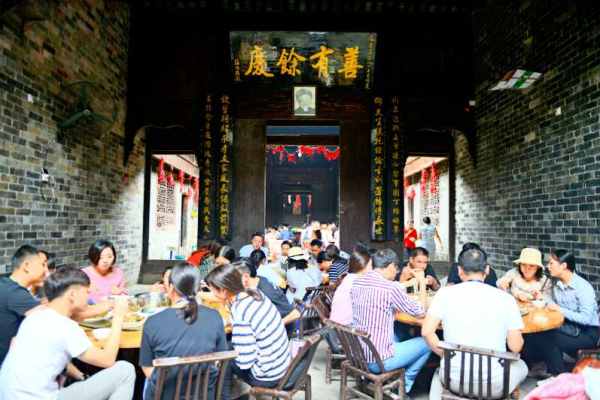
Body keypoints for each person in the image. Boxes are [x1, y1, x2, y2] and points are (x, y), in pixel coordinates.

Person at [0, 267, 135, 400]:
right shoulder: (66, 327)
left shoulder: (35, 317)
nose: (89, 295)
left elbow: (70, 319)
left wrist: (100, 309)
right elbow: (107, 360)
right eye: (87, 291)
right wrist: (118, 317)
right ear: (72, 294)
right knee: (125, 370)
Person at [422, 247, 528, 400]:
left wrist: (444, 354)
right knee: (522, 366)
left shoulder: (444, 294)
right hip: (494, 386)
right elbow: (515, 347)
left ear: (459, 270)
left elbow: (426, 332)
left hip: (453, 381)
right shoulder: (506, 299)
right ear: (487, 270)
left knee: (439, 374)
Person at [140, 262, 227, 400]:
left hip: (166, 395)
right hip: (204, 395)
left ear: (170, 287)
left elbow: (148, 369)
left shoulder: (152, 322)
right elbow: (219, 359)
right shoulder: (214, 316)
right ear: (198, 288)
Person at [351, 249, 430, 395]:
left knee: (398, 331)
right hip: (378, 360)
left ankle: (395, 381)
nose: (396, 271)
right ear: (391, 266)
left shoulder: (357, 282)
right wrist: (422, 283)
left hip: (358, 353)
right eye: (396, 268)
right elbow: (420, 312)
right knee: (427, 342)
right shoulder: (390, 288)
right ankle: (403, 387)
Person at [206, 264, 291, 389]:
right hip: (282, 364)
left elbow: (245, 362)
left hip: (268, 375)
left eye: (212, 290)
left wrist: (222, 358)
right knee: (228, 346)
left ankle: (222, 395)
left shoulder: (240, 311)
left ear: (223, 291)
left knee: (225, 359)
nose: (212, 293)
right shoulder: (253, 292)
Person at [526, 250, 599, 384]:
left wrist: (560, 309)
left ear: (564, 265)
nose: (548, 266)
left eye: (551, 263)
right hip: (569, 327)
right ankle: (541, 367)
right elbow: (556, 306)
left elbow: (586, 319)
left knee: (550, 338)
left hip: (587, 333)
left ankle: (557, 377)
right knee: (538, 332)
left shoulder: (583, 287)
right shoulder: (559, 284)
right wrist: (543, 298)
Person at [0, 245, 47, 366]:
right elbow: (52, 320)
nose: (46, 270)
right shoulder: (15, 293)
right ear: (26, 266)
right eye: (43, 264)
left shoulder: (8, 285)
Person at [233, 258, 300, 326]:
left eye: (234, 277)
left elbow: (295, 314)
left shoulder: (267, 291)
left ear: (246, 276)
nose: (233, 281)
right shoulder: (258, 279)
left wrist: (272, 327)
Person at [330, 250, 372, 325]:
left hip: (337, 324)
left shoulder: (349, 277)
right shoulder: (357, 281)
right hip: (345, 326)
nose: (372, 269)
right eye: (370, 265)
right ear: (362, 266)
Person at [83, 239, 127, 304]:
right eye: (101, 257)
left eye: (109, 256)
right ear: (93, 256)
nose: (105, 261)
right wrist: (86, 291)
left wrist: (120, 293)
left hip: (113, 309)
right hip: (92, 310)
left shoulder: (118, 273)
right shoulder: (83, 274)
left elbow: (124, 297)